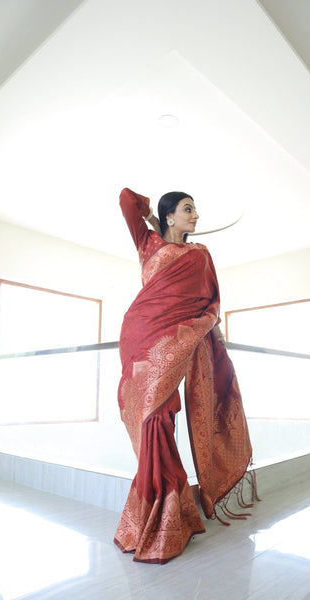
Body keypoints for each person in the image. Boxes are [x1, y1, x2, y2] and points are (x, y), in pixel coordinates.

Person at [114, 187, 255, 564]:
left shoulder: (199, 254)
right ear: (170, 216)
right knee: (150, 421)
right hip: (140, 338)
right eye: (188, 209)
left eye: (195, 210)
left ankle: (166, 516)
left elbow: (209, 302)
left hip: (176, 341)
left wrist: (218, 338)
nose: (195, 216)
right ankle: (161, 514)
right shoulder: (148, 244)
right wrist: (150, 219)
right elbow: (127, 198)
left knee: (161, 416)